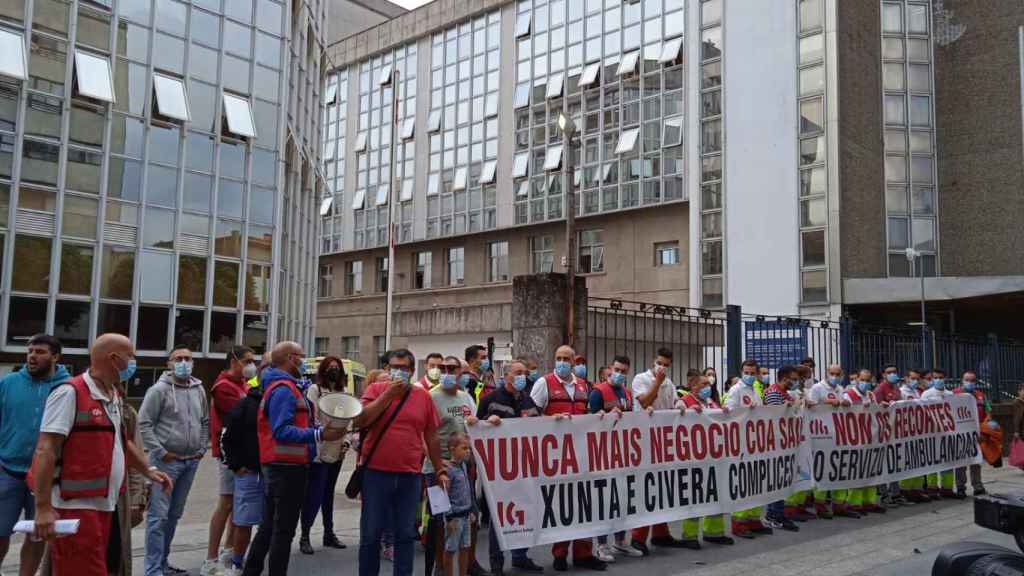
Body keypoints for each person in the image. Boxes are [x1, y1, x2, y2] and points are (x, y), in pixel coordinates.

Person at [29, 333, 173, 576]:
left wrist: (147, 469)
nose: (133, 361)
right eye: (131, 356)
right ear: (114, 358)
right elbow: (45, 450)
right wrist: (43, 508)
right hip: (75, 508)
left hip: (104, 506)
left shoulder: (112, 395)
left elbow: (121, 442)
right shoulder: (69, 393)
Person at [242, 341, 343, 576]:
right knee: (282, 531)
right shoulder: (284, 389)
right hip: (286, 469)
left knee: (269, 528)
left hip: (282, 467)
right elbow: (281, 431)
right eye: (301, 356)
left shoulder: (285, 386)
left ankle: (252, 570)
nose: (304, 361)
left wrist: (318, 428)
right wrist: (319, 433)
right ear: (290, 358)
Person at [355, 348, 448, 576]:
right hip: (376, 473)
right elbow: (361, 420)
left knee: (405, 534)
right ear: (387, 369)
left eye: (403, 368)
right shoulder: (375, 389)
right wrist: (387, 396)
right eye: (393, 367)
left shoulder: (423, 397)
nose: (398, 372)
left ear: (411, 370)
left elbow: (431, 435)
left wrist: (439, 469)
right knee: (370, 535)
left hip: (409, 475)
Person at [530, 345, 607, 571]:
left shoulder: (583, 385)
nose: (561, 362)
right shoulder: (543, 383)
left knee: (585, 503)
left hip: (582, 454)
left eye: (566, 359)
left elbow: (587, 416)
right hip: (557, 456)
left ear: (574, 362)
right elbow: (529, 416)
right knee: (562, 504)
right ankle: (560, 554)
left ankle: (584, 553)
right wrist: (552, 420)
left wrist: (598, 416)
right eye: (558, 358)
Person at [0, 335, 69, 576]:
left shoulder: (67, 387)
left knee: (37, 535)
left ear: (55, 356)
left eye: (40, 352)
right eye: (30, 351)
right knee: (0, 532)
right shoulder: (8, 383)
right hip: (7, 471)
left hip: (46, 476)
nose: (32, 356)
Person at [139, 346, 209, 576]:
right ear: (169, 363)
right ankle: (152, 569)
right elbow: (145, 424)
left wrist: (200, 448)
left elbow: (204, 420)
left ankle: (163, 563)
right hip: (166, 463)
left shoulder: (198, 390)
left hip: (190, 462)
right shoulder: (158, 390)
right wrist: (161, 452)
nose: (184, 362)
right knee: (158, 517)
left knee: (174, 515)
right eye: (178, 358)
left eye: (188, 358)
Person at [475, 361, 544, 576]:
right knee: (500, 516)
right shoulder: (490, 400)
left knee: (524, 511)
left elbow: (539, 426)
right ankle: (497, 563)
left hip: (525, 467)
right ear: (506, 376)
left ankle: (520, 556)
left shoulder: (528, 399)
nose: (523, 376)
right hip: (499, 471)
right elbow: (476, 427)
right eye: (518, 373)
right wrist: (487, 421)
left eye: (525, 373)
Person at [423, 355, 483, 576]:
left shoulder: (467, 398)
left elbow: (474, 430)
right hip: (436, 469)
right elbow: (423, 433)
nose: (446, 371)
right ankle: (439, 566)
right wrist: (436, 460)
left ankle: (467, 566)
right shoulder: (430, 397)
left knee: (469, 517)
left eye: (451, 368)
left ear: (461, 372)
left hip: (462, 470)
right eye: (442, 368)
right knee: (440, 521)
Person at [628, 348, 689, 555]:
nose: (662, 367)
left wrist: (680, 404)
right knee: (647, 489)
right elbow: (644, 401)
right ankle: (638, 537)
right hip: (644, 443)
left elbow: (673, 403)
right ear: (654, 362)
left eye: (666, 365)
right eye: (660, 363)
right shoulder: (640, 379)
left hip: (664, 443)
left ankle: (661, 533)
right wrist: (656, 381)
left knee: (664, 487)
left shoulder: (669, 384)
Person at [203, 345, 256, 576]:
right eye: (247, 360)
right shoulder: (223, 387)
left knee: (238, 506)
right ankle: (211, 558)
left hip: (242, 453)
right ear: (233, 360)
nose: (251, 365)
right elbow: (243, 418)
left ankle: (228, 551)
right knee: (226, 503)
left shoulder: (243, 385)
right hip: (229, 455)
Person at [589, 356, 643, 562]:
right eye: (617, 369)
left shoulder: (627, 394)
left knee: (623, 498)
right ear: (611, 368)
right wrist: (602, 415)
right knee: (604, 499)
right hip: (603, 454)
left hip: (623, 454)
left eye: (624, 371)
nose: (620, 373)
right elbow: (589, 419)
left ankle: (620, 541)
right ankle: (601, 545)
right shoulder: (598, 391)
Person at [299, 356, 351, 554]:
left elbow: (348, 421)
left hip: (337, 450)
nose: (333, 370)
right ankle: (305, 535)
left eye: (337, 367)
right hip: (319, 450)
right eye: (330, 367)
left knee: (328, 493)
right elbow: (310, 418)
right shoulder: (315, 390)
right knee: (314, 494)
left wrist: (345, 443)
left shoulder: (342, 392)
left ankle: (329, 533)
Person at [677, 371, 734, 547]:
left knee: (716, 494)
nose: (708, 387)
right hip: (693, 458)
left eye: (708, 384)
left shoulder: (711, 402)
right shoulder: (684, 402)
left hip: (713, 457)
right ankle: (690, 536)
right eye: (703, 384)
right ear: (693, 386)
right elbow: (674, 418)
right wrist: (686, 412)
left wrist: (723, 411)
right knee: (695, 497)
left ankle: (714, 532)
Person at [221, 371, 266, 576]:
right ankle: (237, 563)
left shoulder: (285, 398)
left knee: (270, 523)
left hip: (274, 472)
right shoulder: (246, 404)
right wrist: (237, 465)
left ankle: (258, 561)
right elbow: (227, 437)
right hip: (250, 472)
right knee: (244, 522)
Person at [725, 360, 772, 537]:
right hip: (741, 443)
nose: (750, 376)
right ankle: (738, 522)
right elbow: (728, 411)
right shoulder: (736, 390)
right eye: (747, 372)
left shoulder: (756, 391)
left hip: (756, 443)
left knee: (757, 481)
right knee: (743, 481)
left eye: (753, 373)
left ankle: (753, 519)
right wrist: (746, 410)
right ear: (742, 371)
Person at [762, 365, 800, 532]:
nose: (795, 382)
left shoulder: (785, 393)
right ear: (784, 378)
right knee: (776, 478)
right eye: (793, 378)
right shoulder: (772, 392)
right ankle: (774, 514)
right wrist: (792, 405)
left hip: (784, 442)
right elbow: (775, 414)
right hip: (774, 442)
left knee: (781, 477)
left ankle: (778, 512)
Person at [442, 433, 477, 576]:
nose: (468, 451)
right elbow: (445, 497)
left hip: (466, 515)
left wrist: (472, 510)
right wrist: (448, 518)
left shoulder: (463, 465)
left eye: (468, 448)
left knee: (465, 548)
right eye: (464, 448)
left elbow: (468, 490)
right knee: (450, 550)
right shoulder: (448, 470)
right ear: (452, 449)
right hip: (454, 518)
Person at [921, 369, 958, 498]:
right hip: (932, 433)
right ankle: (932, 488)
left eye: (941, 377)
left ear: (945, 378)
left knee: (948, 462)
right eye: (935, 377)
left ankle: (947, 488)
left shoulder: (950, 394)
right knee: (932, 461)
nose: (938, 380)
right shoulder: (926, 394)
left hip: (947, 434)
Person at [954, 370, 988, 497]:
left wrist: (984, 430)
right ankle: (960, 487)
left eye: (972, 380)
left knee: (976, 461)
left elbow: (988, 412)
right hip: (961, 435)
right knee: (961, 463)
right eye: (967, 380)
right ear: (962, 381)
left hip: (977, 435)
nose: (970, 383)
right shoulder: (955, 394)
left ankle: (978, 486)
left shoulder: (981, 395)